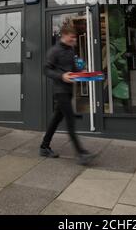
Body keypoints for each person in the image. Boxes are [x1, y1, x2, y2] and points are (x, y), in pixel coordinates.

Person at [40, 24, 95, 165]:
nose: (74, 40)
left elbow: (74, 67)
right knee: (70, 120)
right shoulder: (54, 51)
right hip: (60, 91)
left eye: (75, 37)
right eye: (72, 37)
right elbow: (46, 70)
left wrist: (82, 72)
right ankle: (81, 153)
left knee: (56, 119)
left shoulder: (70, 50)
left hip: (69, 90)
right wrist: (62, 76)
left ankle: (44, 147)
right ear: (64, 35)